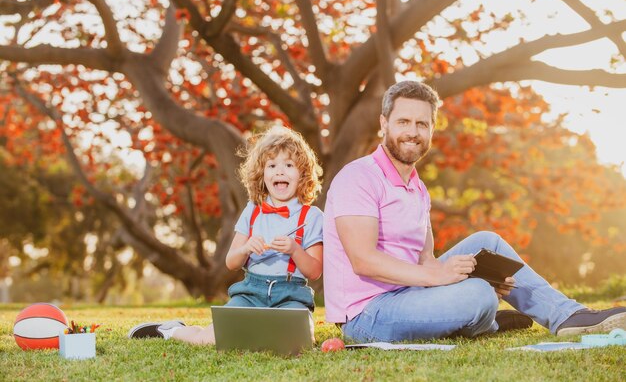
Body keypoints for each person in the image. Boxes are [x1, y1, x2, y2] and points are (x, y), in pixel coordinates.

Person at [323, 80, 626, 342]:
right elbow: (362, 260)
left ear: (431, 129)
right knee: (478, 295)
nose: (412, 132)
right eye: (403, 122)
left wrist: (473, 274)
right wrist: (445, 279)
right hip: (368, 314)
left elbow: (425, 259)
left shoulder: (417, 188)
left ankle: (567, 316)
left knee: (488, 244)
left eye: (422, 124)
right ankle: (482, 320)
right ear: (383, 123)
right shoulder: (358, 177)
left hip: (409, 294)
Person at [128, 125, 324, 344]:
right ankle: (171, 330)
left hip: (291, 296)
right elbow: (231, 262)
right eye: (272, 165)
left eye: (289, 165)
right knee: (211, 340)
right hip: (251, 293)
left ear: (303, 174)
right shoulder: (252, 210)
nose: (280, 171)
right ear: (261, 174)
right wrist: (246, 248)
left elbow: (315, 271)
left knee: (297, 343)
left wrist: (295, 250)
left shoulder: (312, 216)